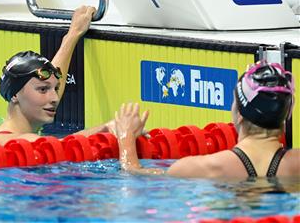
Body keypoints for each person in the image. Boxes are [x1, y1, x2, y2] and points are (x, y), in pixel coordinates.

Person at [114, 61, 300, 178]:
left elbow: (135, 174)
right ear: (287, 114)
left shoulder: (205, 168)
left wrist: (126, 137)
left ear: (239, 113)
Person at [0, 6, 115, 146]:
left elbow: (53, 76)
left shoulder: (10, 133)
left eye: (55, 89)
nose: (54, 98)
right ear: (15, 95)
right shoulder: (5, 141)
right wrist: (111, 127)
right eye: (42, 90)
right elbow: (58, 146)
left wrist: (73, 34)